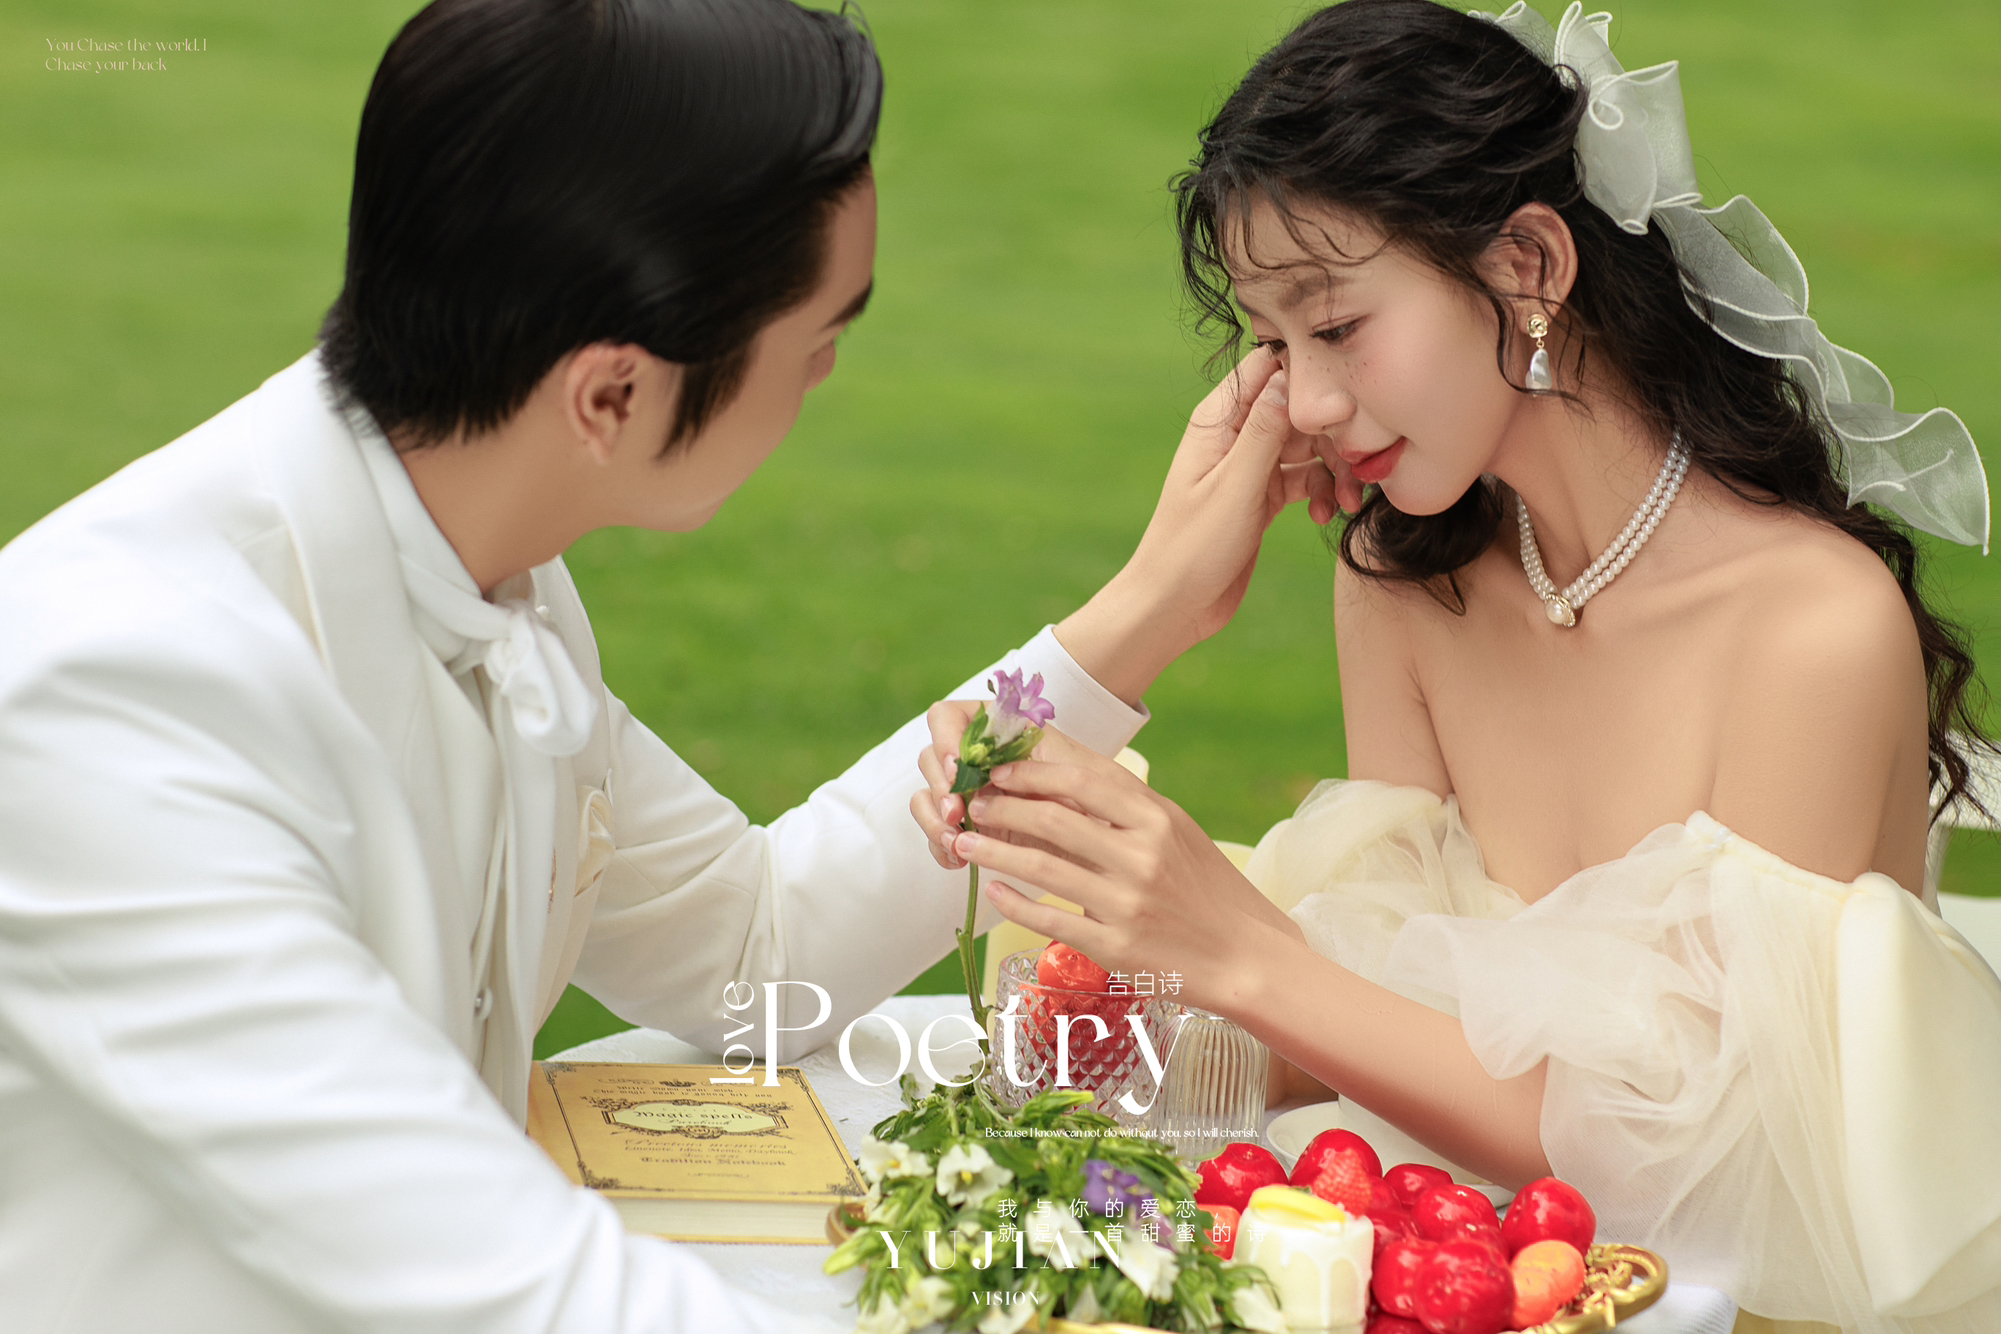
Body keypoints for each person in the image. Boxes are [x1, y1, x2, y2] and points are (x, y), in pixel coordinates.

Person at [0, 2, 1326, 1331]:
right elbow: (503, 1281)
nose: (826, 379)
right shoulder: (115, 697)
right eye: (818, 343)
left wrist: (1150, 609)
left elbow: (754, 946)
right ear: (611, 396)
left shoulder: (486, 562)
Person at [917, 3, 2001, 1331]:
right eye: (1273, 343)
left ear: (1529, 264)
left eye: (1335, 326)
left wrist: (1233, 943)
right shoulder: (1407, 582)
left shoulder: (1810, 631)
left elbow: (1703, 1176)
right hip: (1472, 1281)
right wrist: (1100, 952)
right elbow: (1381, 1019)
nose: (1309, 403)